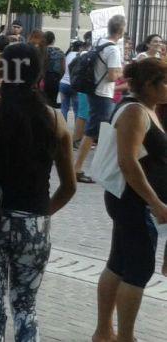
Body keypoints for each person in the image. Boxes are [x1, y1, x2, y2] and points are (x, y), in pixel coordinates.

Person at [0, 43, 76, 341]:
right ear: (39, 74)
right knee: (26, 306)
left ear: (3, 71)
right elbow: (69, 186)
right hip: (34, 222)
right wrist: (41, 213)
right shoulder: (55, 119)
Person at [92, 59, 167, 342]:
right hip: (135, 202)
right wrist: (156, 202)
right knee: (138, 268)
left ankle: (104, 333)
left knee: (119, 262)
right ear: (149, 84)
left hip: (130, 201)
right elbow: (128, 162)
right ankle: (124, 336)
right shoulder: (135, 112)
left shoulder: (145, 108)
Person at [74, 15, 126, 184]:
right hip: (103, 93)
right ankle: (77, 168)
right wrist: (122, 71)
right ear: (121, 30)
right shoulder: (113, 49)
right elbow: (112, 76)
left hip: (94, 90)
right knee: (92, 132)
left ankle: (113, 165)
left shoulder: (99, 43)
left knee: (103, 130)